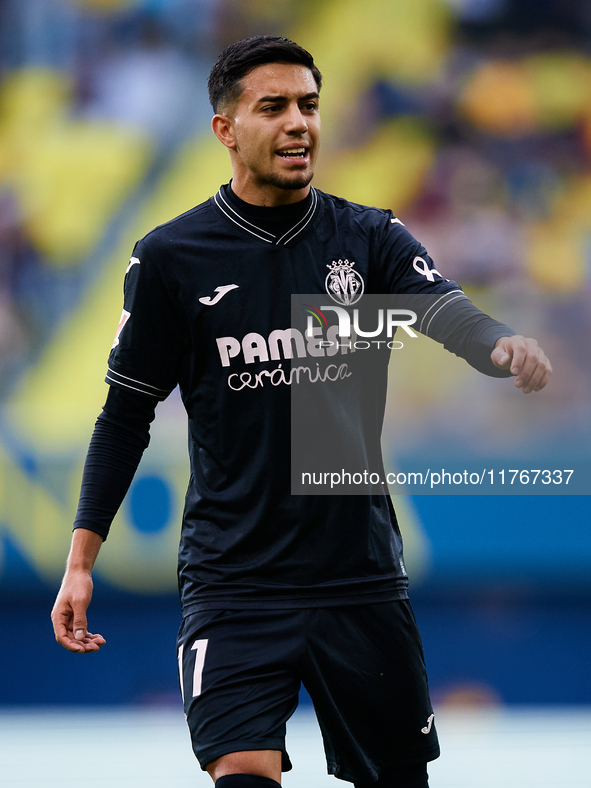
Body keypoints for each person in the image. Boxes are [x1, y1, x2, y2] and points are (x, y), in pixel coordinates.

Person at [51, 36, 552, 788]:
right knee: (242, 771)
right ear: (225, 129)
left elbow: (444, 311)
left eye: (310, 106)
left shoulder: (367, 237)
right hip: (234, 580)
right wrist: (80, 562)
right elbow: (125, 416)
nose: (298, 123)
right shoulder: (171, 258)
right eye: (274, 107)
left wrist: (500, 345)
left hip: (357, 576)